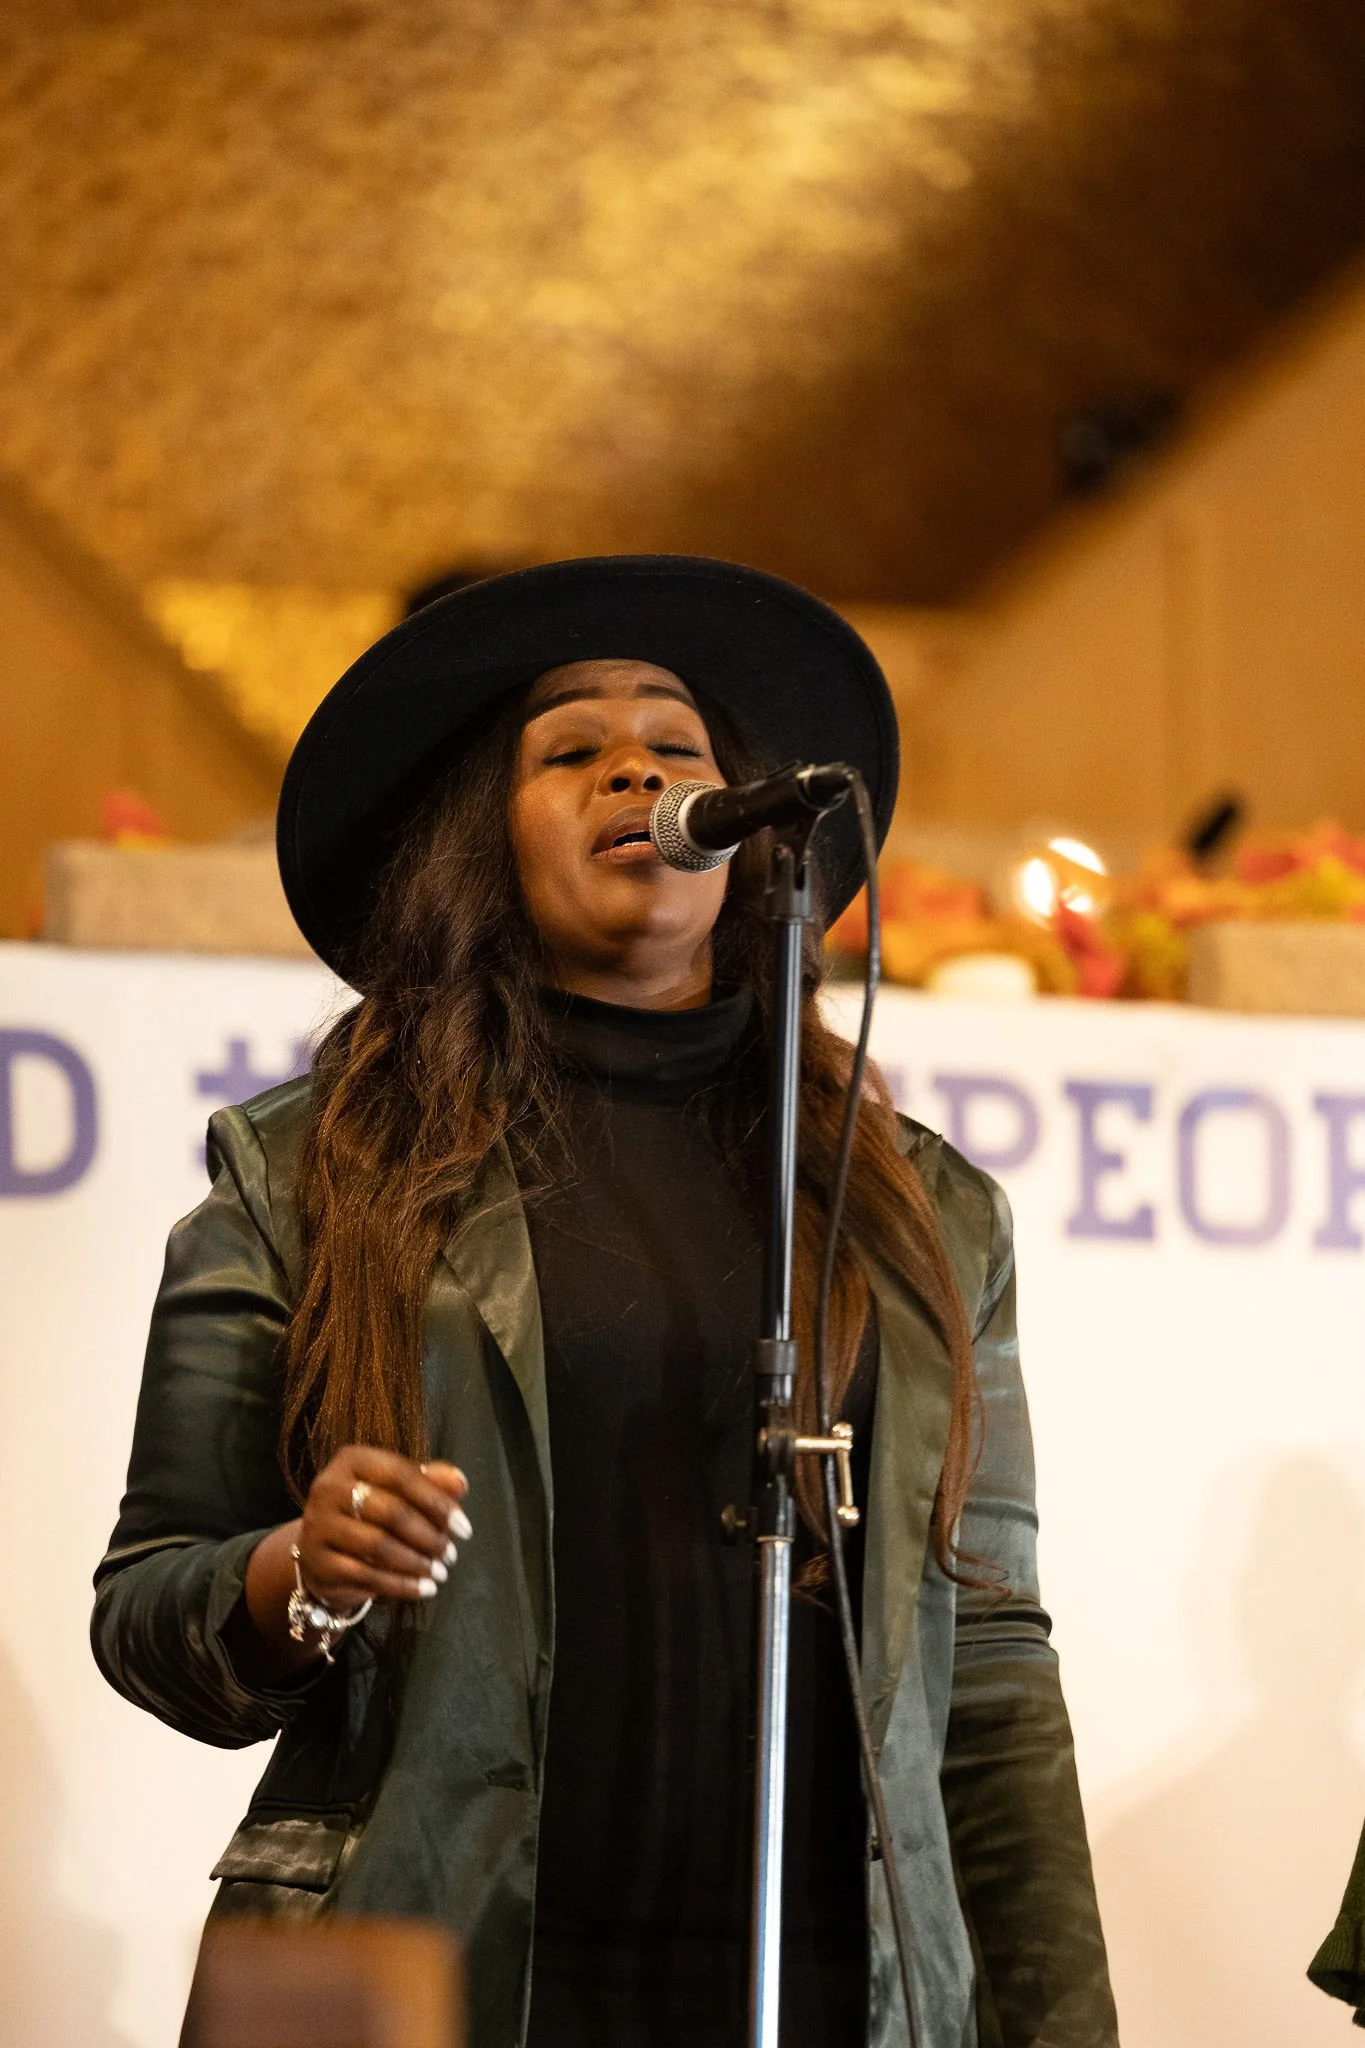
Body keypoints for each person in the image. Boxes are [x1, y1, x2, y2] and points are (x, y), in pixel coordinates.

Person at [92, 556, 1118, 2048]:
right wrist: (299, 1573)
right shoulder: (310, 1169)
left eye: (678, 746)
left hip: (830, 1987)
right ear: (475, 843)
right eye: (570, 751)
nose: (635, 764)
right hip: (437, 1982)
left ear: (755, 836)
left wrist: (1062, 2029)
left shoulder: (916, 1210)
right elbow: (149, 1605)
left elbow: (995, 1660)